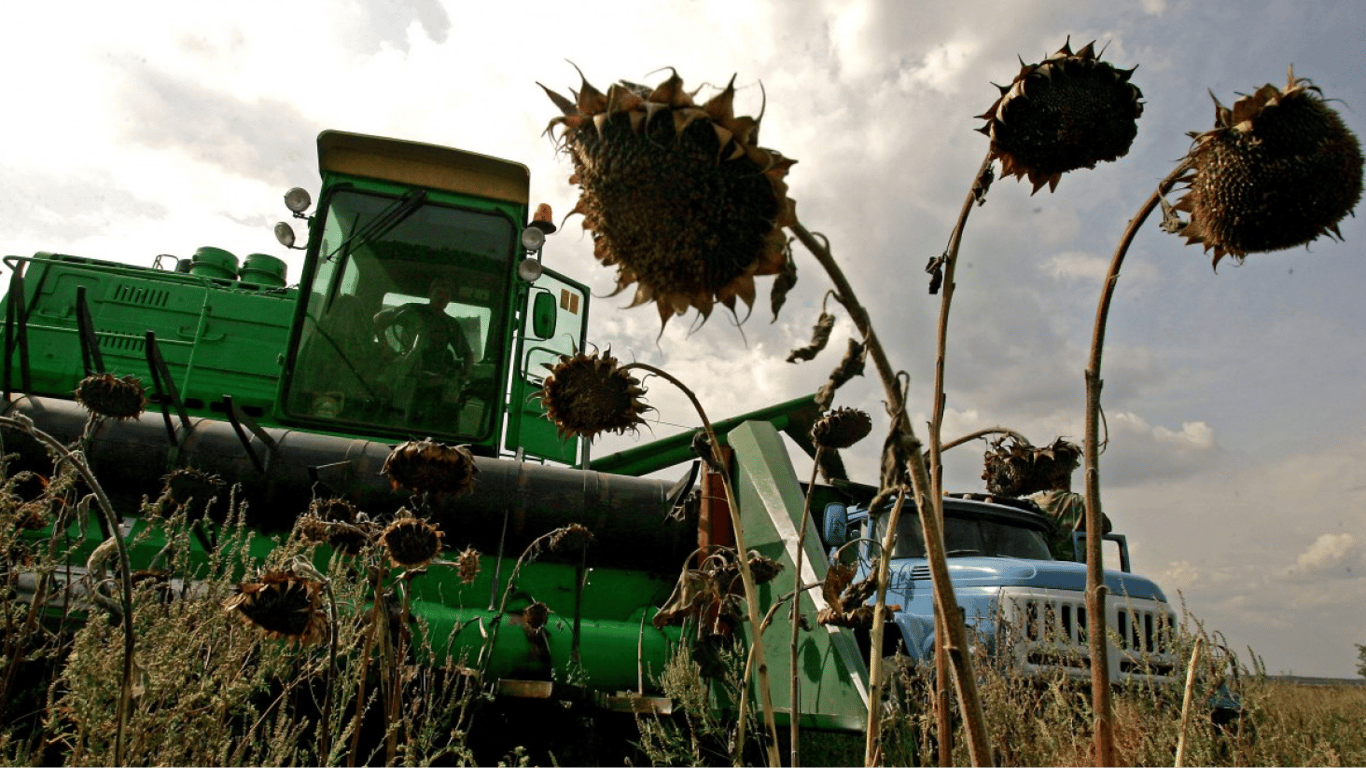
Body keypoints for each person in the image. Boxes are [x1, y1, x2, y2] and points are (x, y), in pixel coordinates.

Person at [372, 276, 475, 425]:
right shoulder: (411, 310)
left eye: (447, 295)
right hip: (404, 372)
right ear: (430, 293)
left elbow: (467, 354)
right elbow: (378, 320)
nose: (442, 297)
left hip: (432, 382)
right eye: (439, 292)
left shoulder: (451, 324)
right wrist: (384, 346)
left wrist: (464, 377)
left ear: (450, 299)